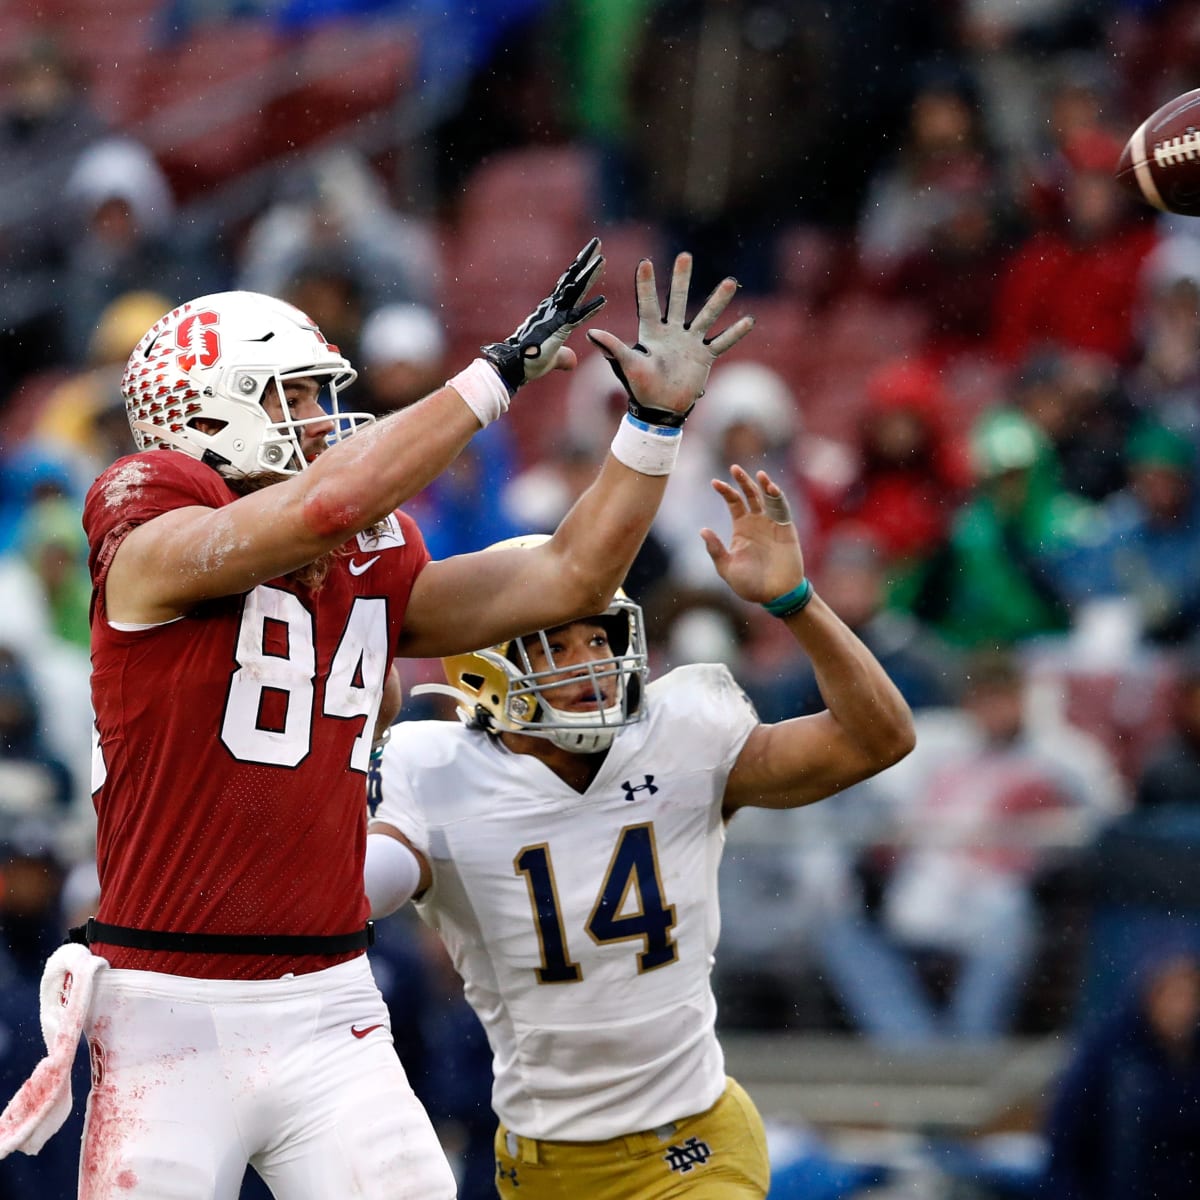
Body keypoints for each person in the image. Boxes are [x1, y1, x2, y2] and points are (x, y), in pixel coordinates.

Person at [5, 240, 754, 1199]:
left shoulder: (363, 543)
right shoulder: (146, 512)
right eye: (298, 398)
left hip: (330, 1000)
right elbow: (325, 504)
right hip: (169, 1004)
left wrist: (652, 425)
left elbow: (568, 577)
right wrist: (497, 372)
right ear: (207, 408)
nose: (325, 420)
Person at [366, 467, 916, 1198]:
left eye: (599, 639)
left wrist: (796, 602)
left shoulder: (681, 731)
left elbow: (876, 739)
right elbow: (355, 886)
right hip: (542, 1163)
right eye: (556, 648)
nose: (591, 663)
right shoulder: (430, 766)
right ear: (484, 663)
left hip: (693, 1145)